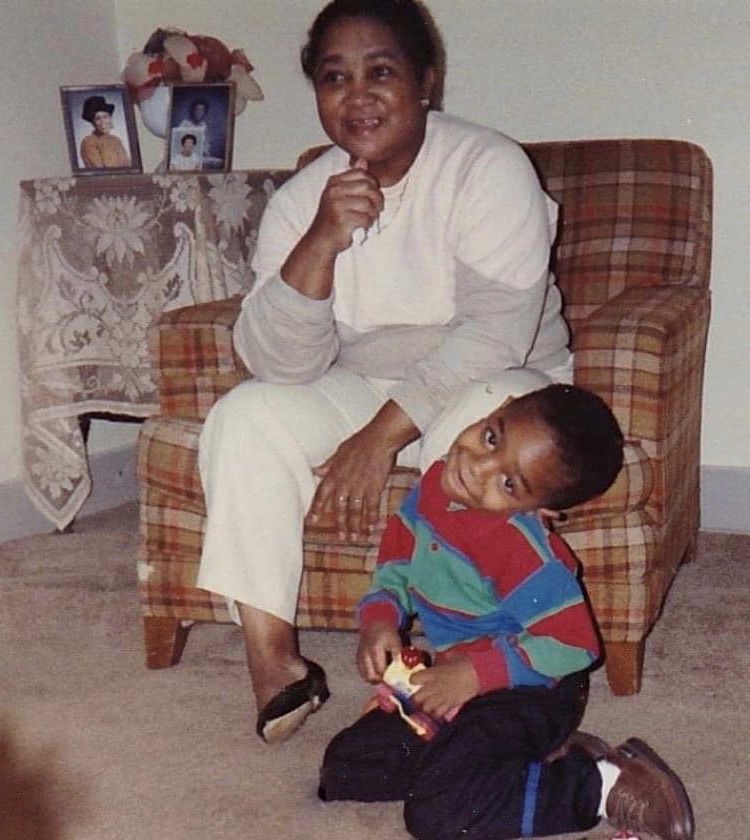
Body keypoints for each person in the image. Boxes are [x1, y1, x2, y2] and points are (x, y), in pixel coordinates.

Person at [196, 0, 573, 744]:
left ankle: (464, 660)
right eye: (335, 77)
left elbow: (496, 332)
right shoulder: (306, 201)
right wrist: (323, 241)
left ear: (426, 81)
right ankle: (276, 665)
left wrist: (379, 438)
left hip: (500, 377)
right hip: (364, 377)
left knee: (484, 416)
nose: (358, 95)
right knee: (245, 415)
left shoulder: (489, 168)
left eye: (381, 72)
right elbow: (278, 363)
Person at [318, 384, 695, 840]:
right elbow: (399, 552)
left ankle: (600, 784)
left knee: (438, 812)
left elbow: (576, 645)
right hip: (460, 677)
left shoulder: (521, 550)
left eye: (509, 484)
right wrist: (379, 618)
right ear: (496, 411)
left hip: (534, 686)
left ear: (540, 509)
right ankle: (504, 760)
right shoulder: (435, 483)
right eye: (492, 438)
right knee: (345, 767)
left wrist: (476, 675)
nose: (476, 468)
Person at [79, 95, 130, 169]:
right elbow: (100, 171)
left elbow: (127, 165)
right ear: (93, 123)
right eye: (97, 118)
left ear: (110, 119)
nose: (103, 122)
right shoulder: (88, 142)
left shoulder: (116, 140)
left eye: (105, 117)